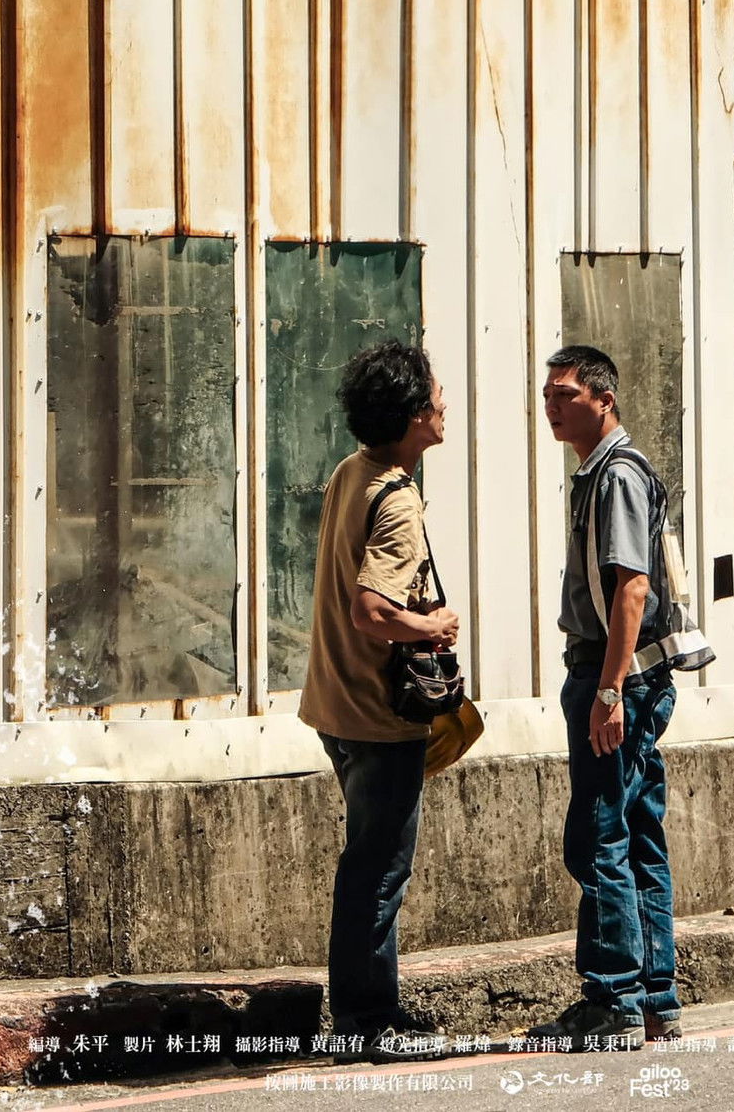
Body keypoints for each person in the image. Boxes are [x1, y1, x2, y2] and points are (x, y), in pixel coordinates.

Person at [298, 340, 457, 1061]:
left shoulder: (352, 473)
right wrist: (433, 623)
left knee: (370, 862)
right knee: (379, 868)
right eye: (434, 397)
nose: (444, 404)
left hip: (335, 702)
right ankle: (364, 1022)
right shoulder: (397, 499)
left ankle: (377, 1006)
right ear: (411, 415)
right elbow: (371, 610)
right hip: (376, 713)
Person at [529, 345, 682, 1052]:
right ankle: (656, 997)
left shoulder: (615, 475)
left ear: (604, 400)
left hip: (616, 676)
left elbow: (631, 587)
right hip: (626, 674)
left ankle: (614, 997)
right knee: (636, 830)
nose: (553, 406)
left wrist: (610, 690)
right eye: (548, 395)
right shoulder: (604, 472)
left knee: (600, 834)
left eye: (565, 395)